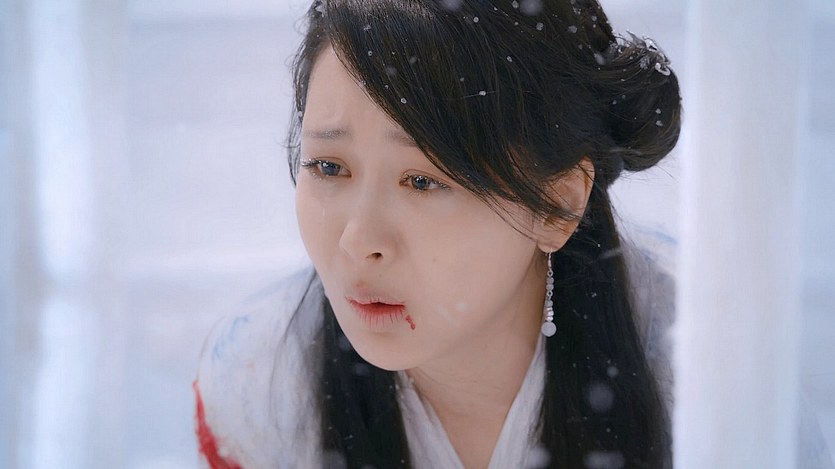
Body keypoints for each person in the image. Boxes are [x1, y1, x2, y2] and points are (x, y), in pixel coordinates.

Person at [192, 1, 830, 468]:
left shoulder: (708, 373)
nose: (358, 241)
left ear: (558, 204)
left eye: (423, 180)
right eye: (329, 168)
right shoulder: (261, 382)